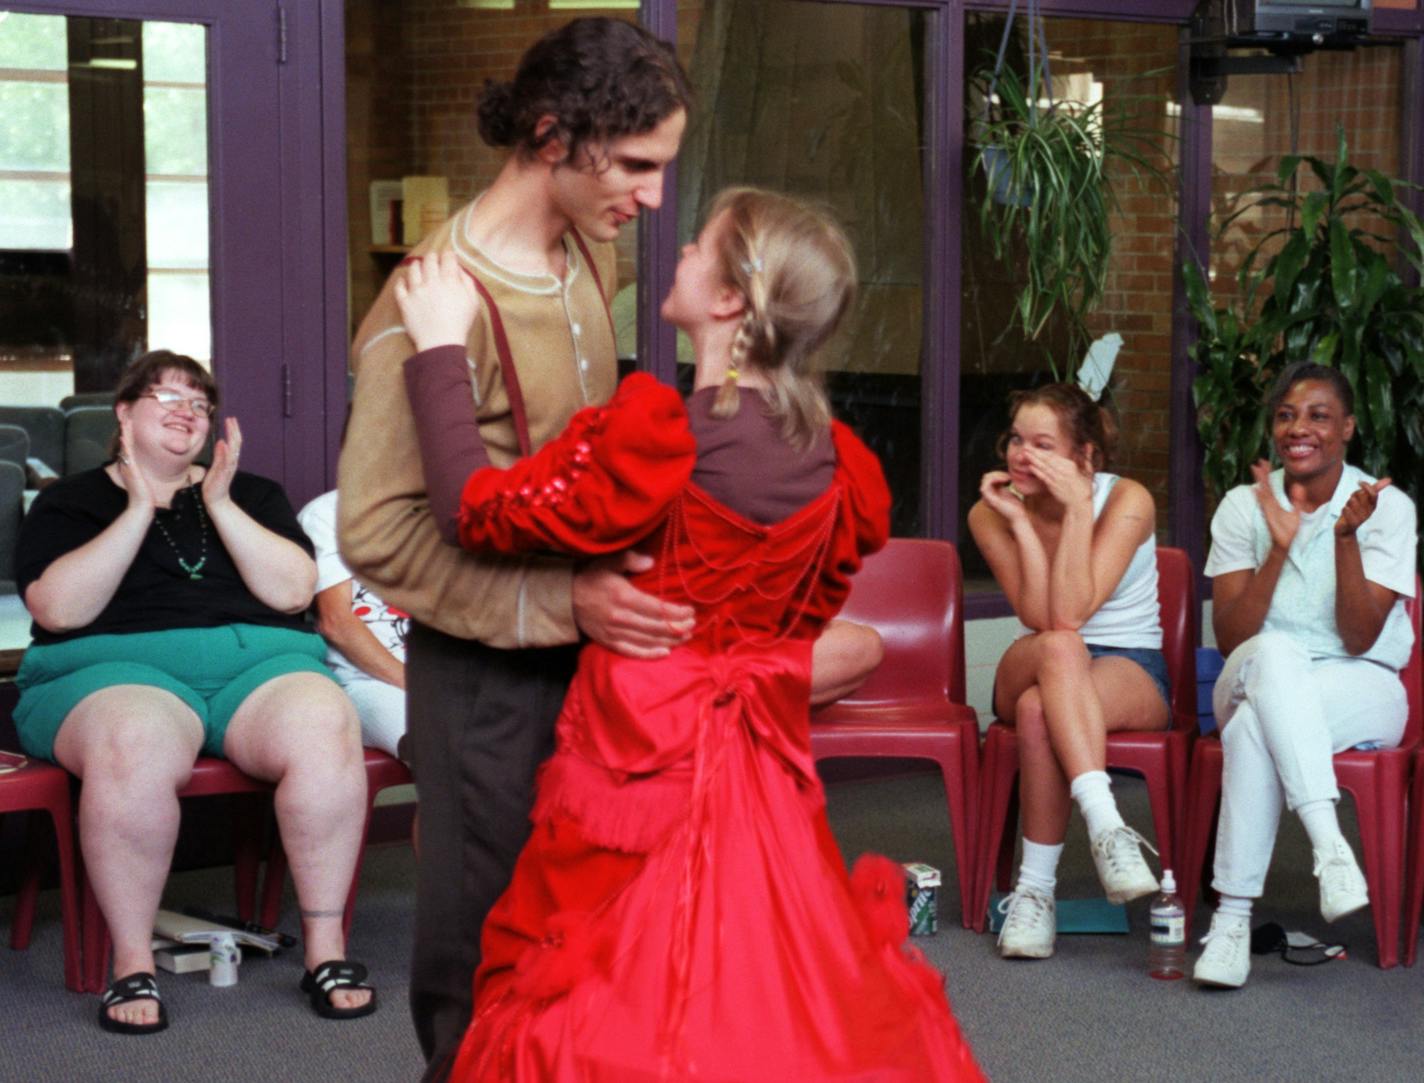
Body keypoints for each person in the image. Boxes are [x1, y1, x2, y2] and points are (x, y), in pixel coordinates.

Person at [395, 186, 983, 1081]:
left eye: (698, 244)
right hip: (759, 755)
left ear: (729, 301)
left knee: (605, 992)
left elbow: (474, 511)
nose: (676, 251)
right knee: (752, 992)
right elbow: (807, 616)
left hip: (636, 752)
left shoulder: (659, 434)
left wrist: (440, 346)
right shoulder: (841, 466)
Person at [336, 19, 695, 1079]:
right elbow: (377, 532)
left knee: (594, 948)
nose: (651, 197)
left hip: (599, 675)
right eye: (634, 165)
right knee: (483, 957)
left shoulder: (590, 245)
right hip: (486, 681)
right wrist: (561, 604)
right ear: (552, 135)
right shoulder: (424, 307)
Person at [11, 350, 374, 1034]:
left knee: (326, 720)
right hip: (109, 674)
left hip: (255, 671)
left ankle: (327, 951)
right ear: (123, 412)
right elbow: (59, 609)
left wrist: (220, 503)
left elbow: (294, 591)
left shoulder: (254, 494)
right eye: (166, 397)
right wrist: (139, 507)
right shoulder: (70, 501)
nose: (186, 411)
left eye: (200, 404)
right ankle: (133, 961)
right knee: (135, 739)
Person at [1192, 362, 1417, 989]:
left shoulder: (1386, 507)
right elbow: (1233, 638)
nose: (1300, 428)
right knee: (1275, 655)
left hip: (1361, 682)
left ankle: (1232, 924)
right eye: (1288, 415)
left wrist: (1345, 537)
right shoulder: (1245, 507)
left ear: (1347, 427)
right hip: (1251, 672)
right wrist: (1282, 548)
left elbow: (1359, 636)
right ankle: (1329, 843)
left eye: (1319, 415)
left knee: (1252, 735)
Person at [968, 383, 1169, 960]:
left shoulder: (1127, 499)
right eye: (1015, 440)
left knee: (1039, 707)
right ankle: (1106, 824)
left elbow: (1073, 609)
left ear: (1085, 457)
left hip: (1128, 663)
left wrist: (1080, 507)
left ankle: (1035, 893)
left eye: (1042, 445)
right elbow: (1046, 616)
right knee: (1058, 649)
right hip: (1039, 652)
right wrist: (1022, 525)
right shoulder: (990, 510)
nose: (1021, 456)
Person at [298, 487, 409, 758]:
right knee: (443, 745)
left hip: (451, 678)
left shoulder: (449, 513)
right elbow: (336, 623)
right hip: (370, 682)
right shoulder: (328, 513)